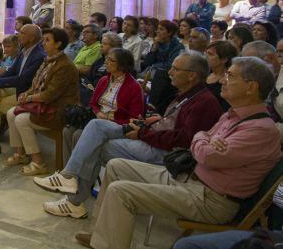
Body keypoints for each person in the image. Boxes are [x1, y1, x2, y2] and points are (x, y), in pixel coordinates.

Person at [73, 56, 280, 249]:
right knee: (116, 166)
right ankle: (102, 237)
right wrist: (205, 139)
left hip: (212, 199)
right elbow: (199, 140)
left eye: (231, 76)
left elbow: (207, 155)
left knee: (121, 191)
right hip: (191, 179)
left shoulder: (260, 129)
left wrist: (204, 140)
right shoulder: (231, 115)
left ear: (251, 87)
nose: (223, 80)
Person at [37, 51, 223, 220]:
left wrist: (142, 133)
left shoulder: (203, 103)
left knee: (97, 144)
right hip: (153, 135)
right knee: (95, 126)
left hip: (167, 154)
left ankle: (73, 198)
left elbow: (183, 140)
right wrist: (153, 122)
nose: (170, 72)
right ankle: (70, 180)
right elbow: (174, 124)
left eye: (175, 69)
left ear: (191, 75)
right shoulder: (187, 95)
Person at [4, 28, 79, 175]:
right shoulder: (48, 60)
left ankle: (38, 162)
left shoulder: (65, 65)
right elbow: (35, 85)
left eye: (47, 40)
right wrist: (26, 93)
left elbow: (50, 94)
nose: (43, 43)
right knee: (11, 113)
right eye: (43, 39)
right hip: (44, 105)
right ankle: (20, 154)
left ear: (58, 44)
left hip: (58, 110)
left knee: (21, 119)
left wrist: (29, 98)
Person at [62, 48, 144, 165]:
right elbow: (93, 103)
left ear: (122, 65)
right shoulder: (104, 80)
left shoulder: (134, 87)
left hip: (117, 125)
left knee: (78, 135)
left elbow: (134, 118)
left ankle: (77, 176)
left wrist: (110, 120)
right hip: (96, 119)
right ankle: (67, 170)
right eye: (106, 58)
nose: (106, 62)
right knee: (68, 130)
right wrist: (97, 112)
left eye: (111, 60)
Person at [204, 40, 237, 111]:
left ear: (224, 59)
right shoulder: (205, 73)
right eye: (206, 53)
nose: (205, 56)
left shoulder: (228, 81)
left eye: (210, 54)